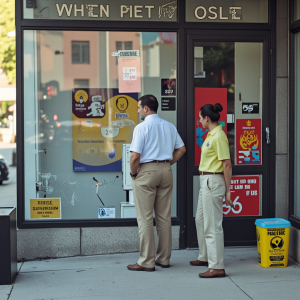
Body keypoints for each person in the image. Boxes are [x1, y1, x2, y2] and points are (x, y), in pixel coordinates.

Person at [127, 94, 186, 271]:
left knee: (145, 218)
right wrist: (168, 163)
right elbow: (182, 149)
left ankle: (146, 261)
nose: (138, 111)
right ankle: (164, 259)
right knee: (163, 217)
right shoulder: (169, 126)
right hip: (166, 170)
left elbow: (135, 156)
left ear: (146, 108)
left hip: (146, 171)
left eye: (138, 108)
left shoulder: (141, 127)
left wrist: (133, 173)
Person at [190, 103, 233, 278]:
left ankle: (217, 266)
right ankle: (205, 255)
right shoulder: (211, 135)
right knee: (201, 220)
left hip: (213, 180)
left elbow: (227, 164)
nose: (199, 121)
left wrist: (228, 190)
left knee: (212, 225)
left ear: (207, 118)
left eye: (200, 118)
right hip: (206, 180)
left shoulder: (219, 136)